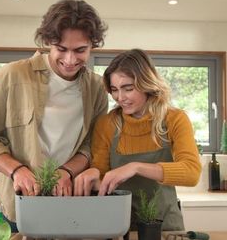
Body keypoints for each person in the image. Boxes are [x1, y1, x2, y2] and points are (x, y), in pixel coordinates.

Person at [0, 0, 108, 232]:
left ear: (92, 46)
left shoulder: (96, 88)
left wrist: (66, 171)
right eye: (61, 49)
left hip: (72, 204)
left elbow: (91, 146)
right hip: (20, 206)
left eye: (80, 51)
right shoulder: (12, 75)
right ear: (48, 42)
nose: (70, 60)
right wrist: (18, 170)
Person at [74, 49, 202, 231]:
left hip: (165, 225)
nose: (120, 98)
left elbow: (191, 172)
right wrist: (93, 174)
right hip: (119, 224)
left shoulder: (174, 119)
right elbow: (102, 176)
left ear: (146, 84)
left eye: (128, 88)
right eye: (115, 90)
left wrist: (135, 167)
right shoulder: (106, 124)